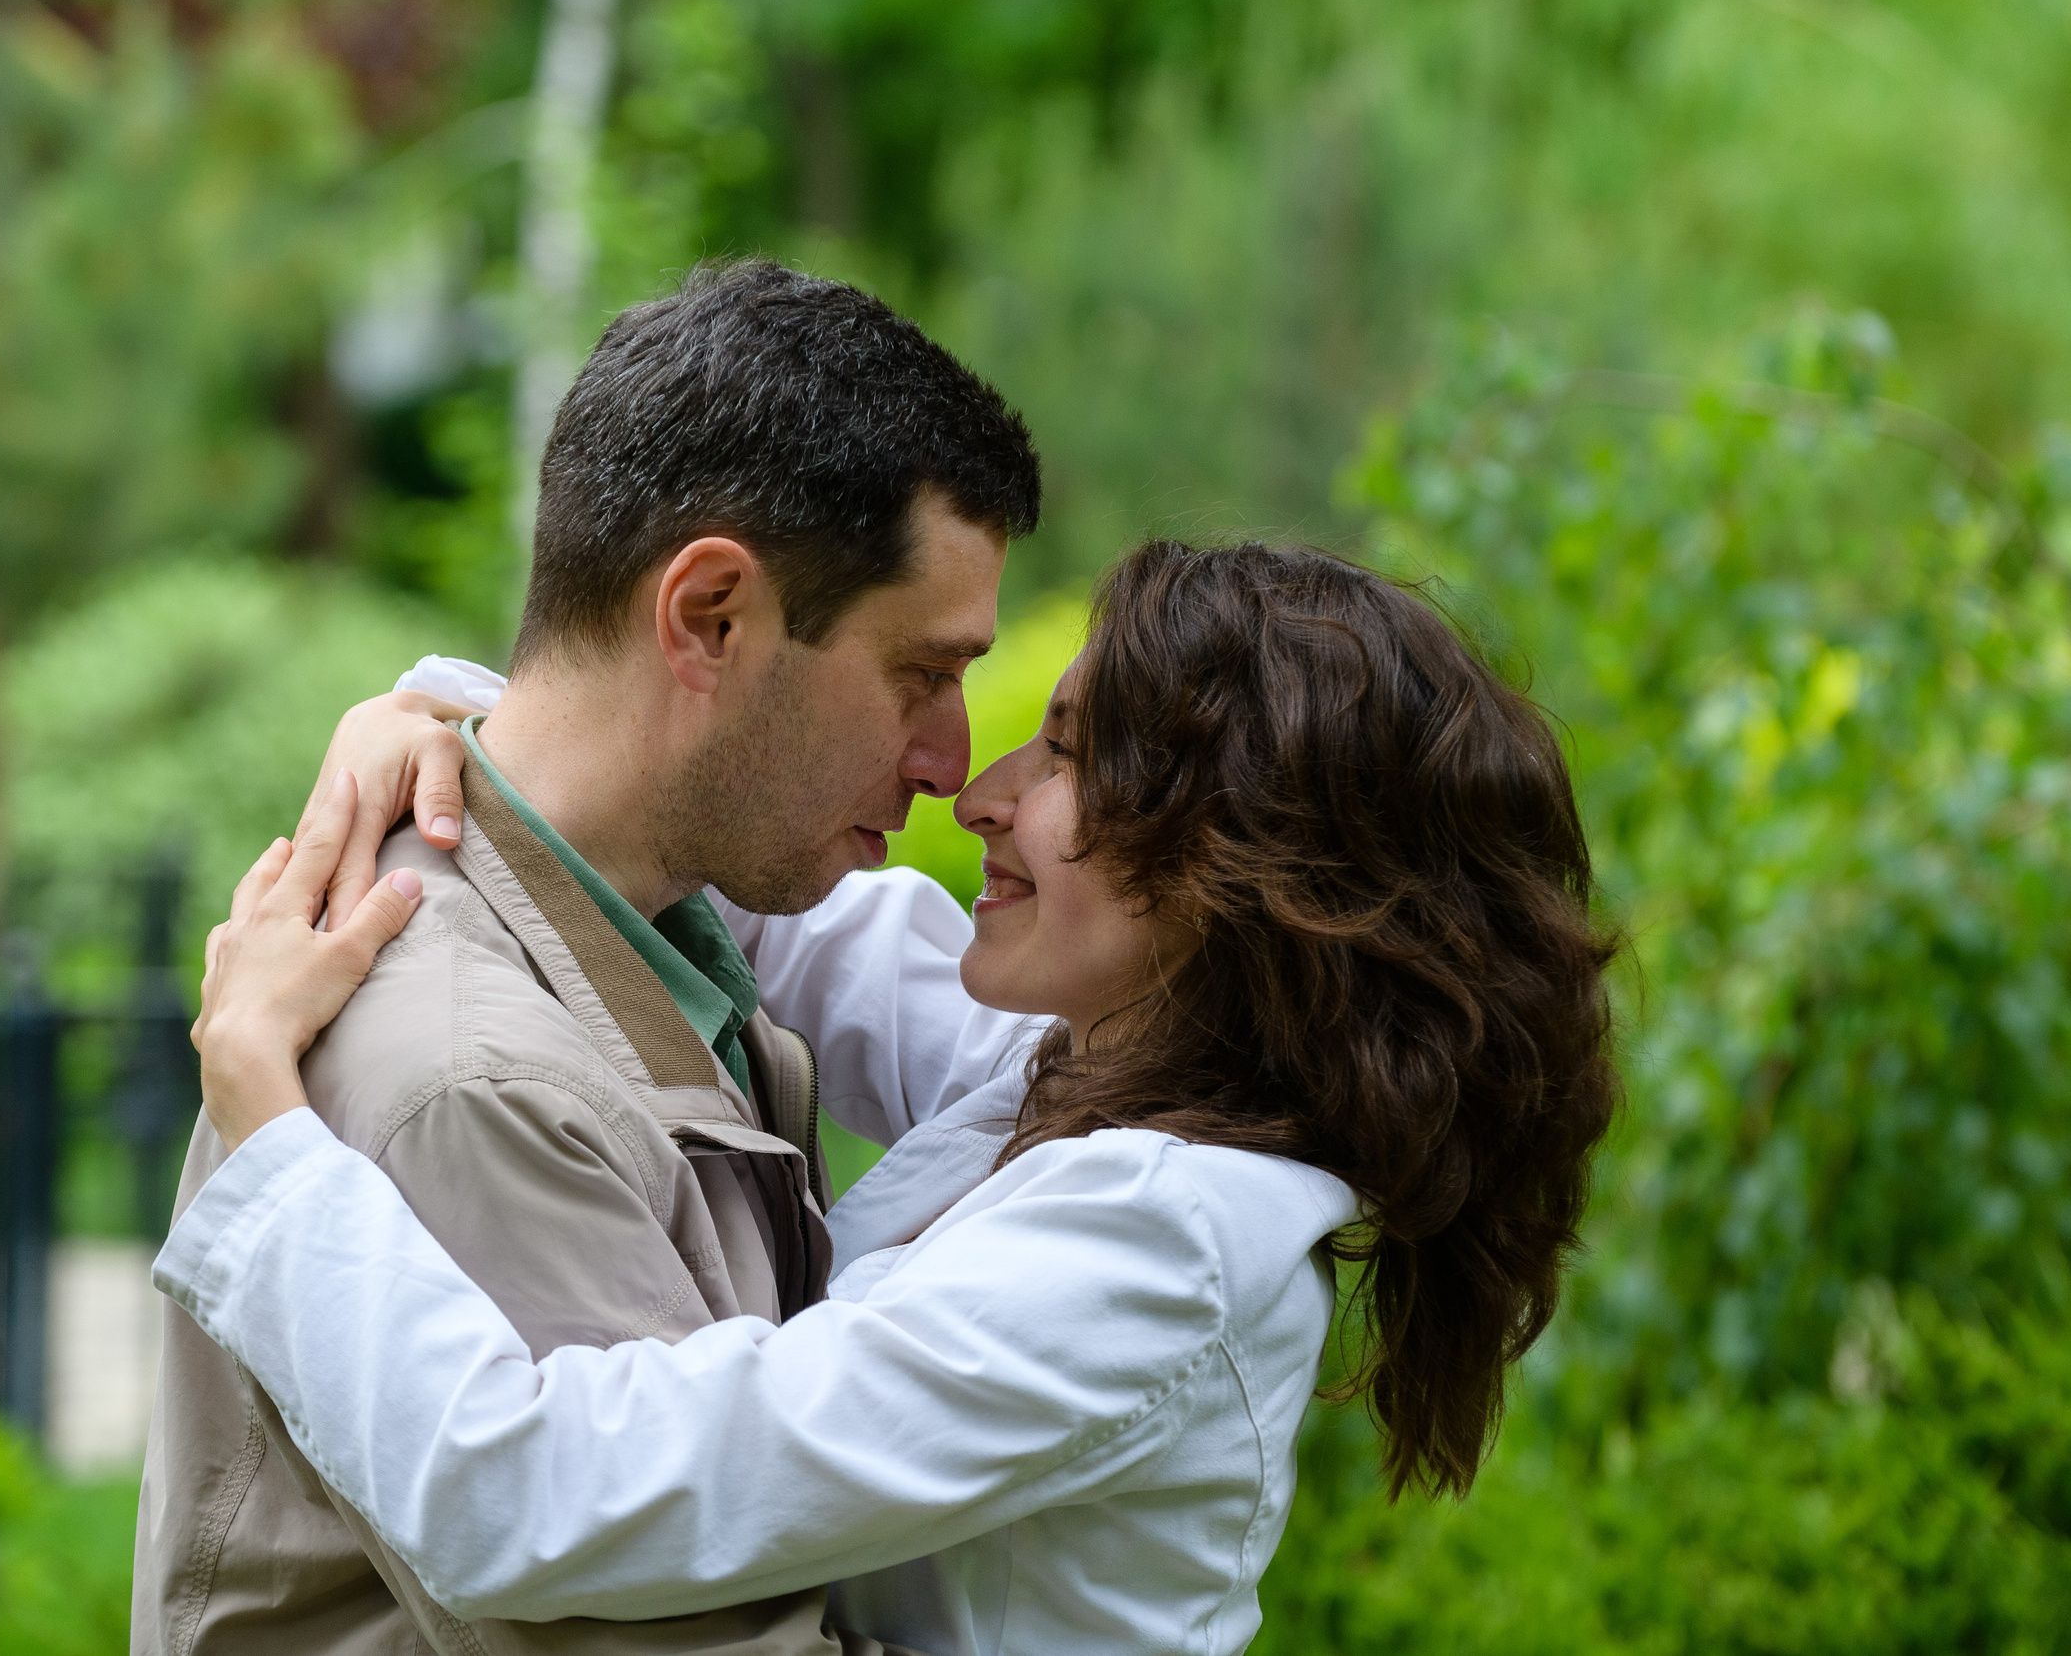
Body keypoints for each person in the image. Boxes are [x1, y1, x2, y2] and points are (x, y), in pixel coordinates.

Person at [162, 540, 1622, 1656]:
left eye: (1071, 752)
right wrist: (430, 726)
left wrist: (265, 1124)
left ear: (1252, 866)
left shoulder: (1163, 1239)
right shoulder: (1098, 1061)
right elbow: (752, 872)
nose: (980, 787)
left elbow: (537, 1496)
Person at [130, 257, 1042, 1656]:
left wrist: (431, 698)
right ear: (710, 617)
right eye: (921, 674)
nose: (950, 762)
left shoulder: (669, 929)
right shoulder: (476, 1081)